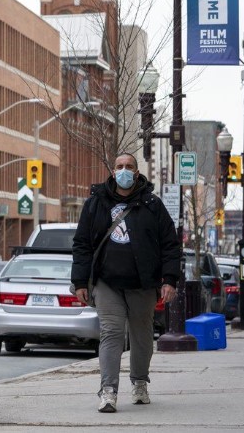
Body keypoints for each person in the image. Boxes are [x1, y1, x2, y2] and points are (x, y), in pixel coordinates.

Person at [71, 153, 180, 413]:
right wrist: (79, 282)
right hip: (107, 281)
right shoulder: (96, 203)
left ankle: (140, 382)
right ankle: (108, 391)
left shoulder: (152, 204)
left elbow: (170, 245)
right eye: (119, 167)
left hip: (142, 283)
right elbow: (82, 244)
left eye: (129, 167)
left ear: (137, 171)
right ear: (112, 171)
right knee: (111, 333)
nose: (124, 171)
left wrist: (170, 280)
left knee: (142, 336)